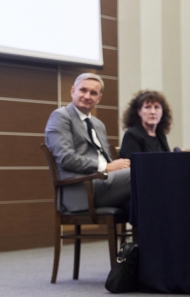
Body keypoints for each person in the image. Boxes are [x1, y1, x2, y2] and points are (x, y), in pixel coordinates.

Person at [45, 73, 131, 213]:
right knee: (141, 174)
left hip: (105, 183)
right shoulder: (61, 117)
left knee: (145, 199)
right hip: (82, 189)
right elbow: (66, 158)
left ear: (99, 99)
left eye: (93, 93)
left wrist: (119, 166)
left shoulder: (98, 124)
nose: (87, 96)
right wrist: (106, 167)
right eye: (83, 90)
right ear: (73, 91)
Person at [119, 90, 172, 159]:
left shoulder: (160, 134)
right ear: (139, 112)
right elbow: (133, 163)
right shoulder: (132, 135)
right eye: (147, 107)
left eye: (156, 107)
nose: (153, 112)